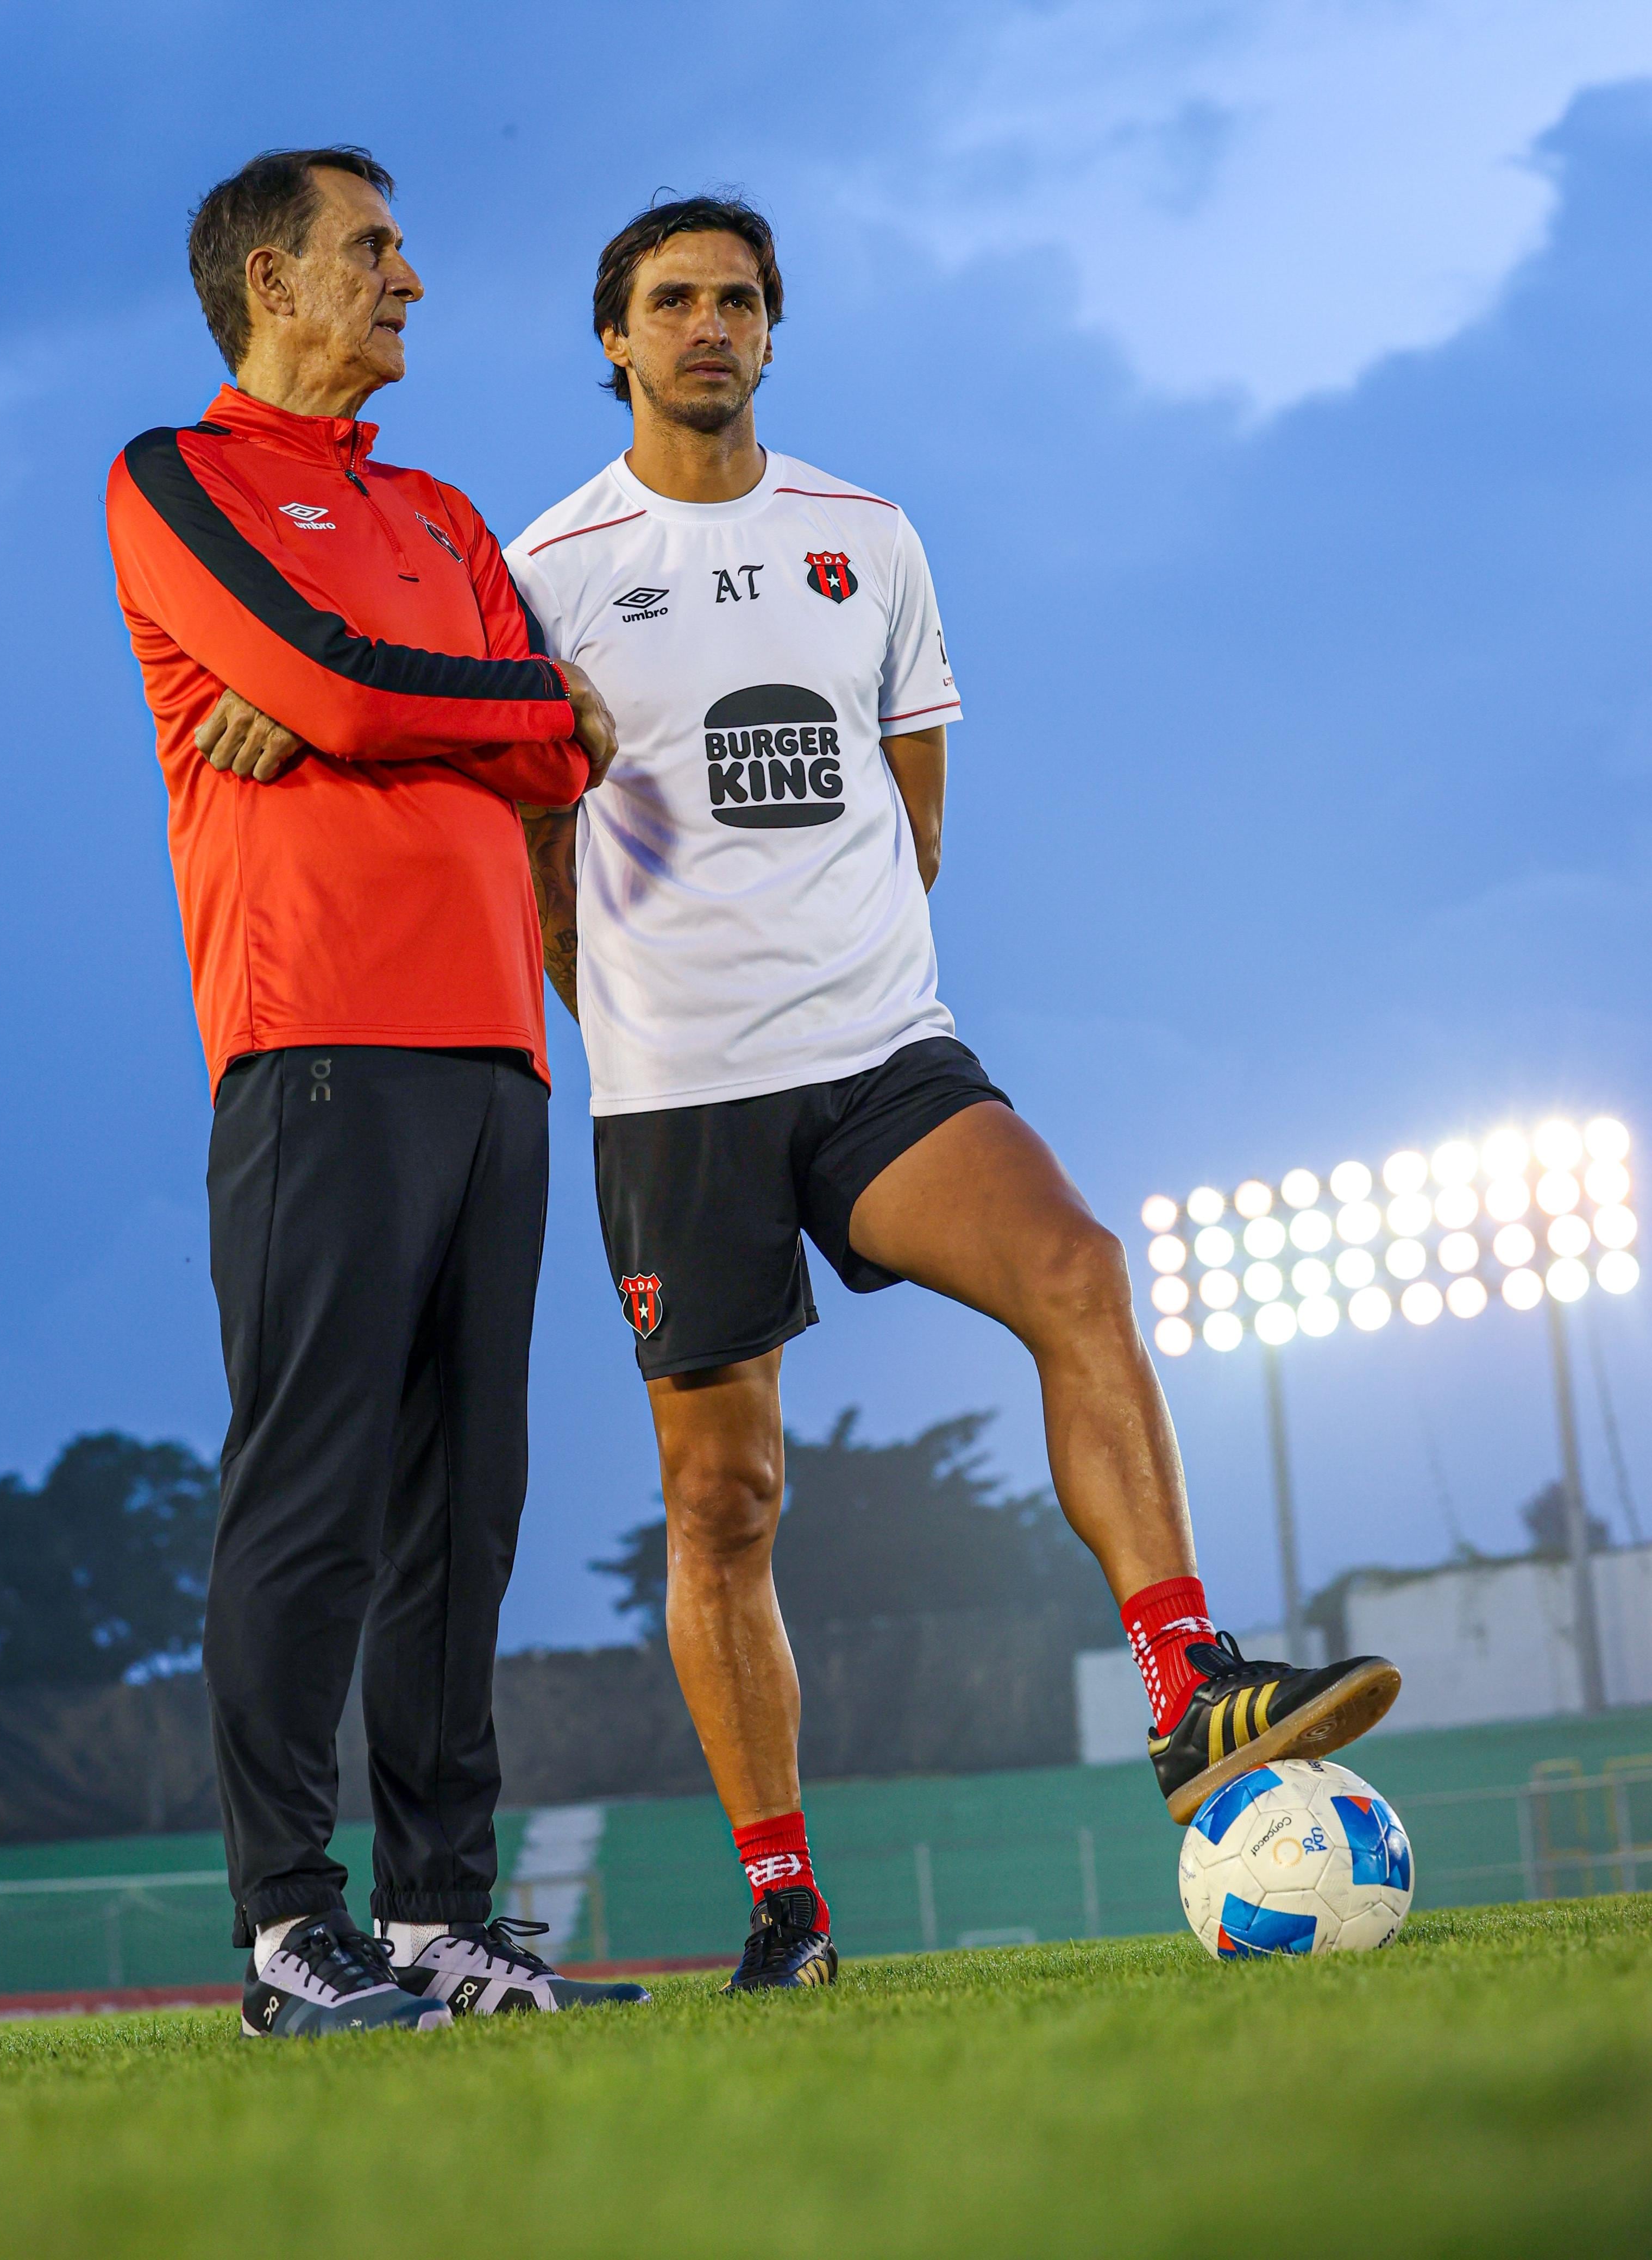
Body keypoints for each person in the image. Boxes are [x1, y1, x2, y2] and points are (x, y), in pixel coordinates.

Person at [506, 196, 1401, 1991]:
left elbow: (915, 803)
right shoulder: (546, 572)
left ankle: (1189, 1688)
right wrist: (645, 1021)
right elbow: (534, 859)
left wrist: (847, 969)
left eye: (740, 301)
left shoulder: (870, 537)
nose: (709, 327)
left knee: (1078, 1271)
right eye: (673, 302)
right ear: (613, 338)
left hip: (879, 1050)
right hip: (679, 1094)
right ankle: (786, 1905)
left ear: (775, 332)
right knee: (725, 1502)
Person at [106, 146, 646, 2035]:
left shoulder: (438, 506)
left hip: (501, 1053)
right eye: (374, 248)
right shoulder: (171, 477)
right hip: (314, 1049)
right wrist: (469, 706)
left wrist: (438, 702)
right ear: (272, 277)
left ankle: (445, 1925)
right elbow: (366, 692)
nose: (409, 278)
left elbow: (569, 751)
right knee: (310, 1501)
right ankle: (286, 1927)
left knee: (462, 1514)